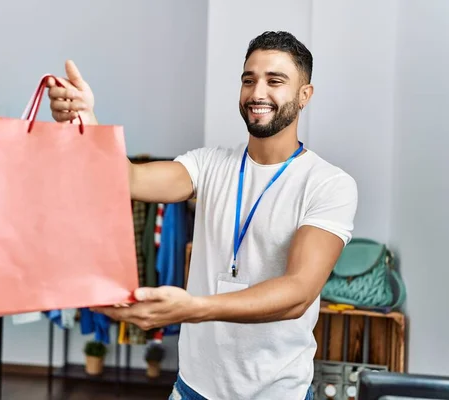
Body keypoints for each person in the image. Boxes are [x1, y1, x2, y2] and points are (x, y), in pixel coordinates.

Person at [47, 31, 358, 400]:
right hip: (192, 389)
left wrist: (193, 308)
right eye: (249, 80)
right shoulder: (208, 164)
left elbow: (298, 293)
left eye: (275, 81)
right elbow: (127, 177)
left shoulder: (329, 184)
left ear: (304, 95)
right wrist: (86, 123)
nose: (258, 93)